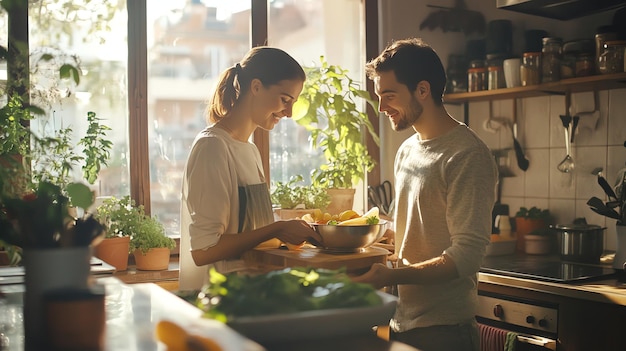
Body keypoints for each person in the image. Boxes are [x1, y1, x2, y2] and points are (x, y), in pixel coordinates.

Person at [353, 38, 498, 351]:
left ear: (422, 90)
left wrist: (390, 274)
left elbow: (468, 255)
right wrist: (359, 240)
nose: (381, 108)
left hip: (444, 332)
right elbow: (408, 230)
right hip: (400, 321)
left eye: (388, 96)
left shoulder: (467, 155)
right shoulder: (408, 150)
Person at [179, 46, 322, 290]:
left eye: (292, 103)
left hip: (253, 297)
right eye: (284, 100)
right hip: (219, 303)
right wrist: (278, 228)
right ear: (256, 87)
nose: (288, 113)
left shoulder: (250, 149)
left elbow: (248, 232)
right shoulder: (212, 147)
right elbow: (204, 250)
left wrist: (287, 231)